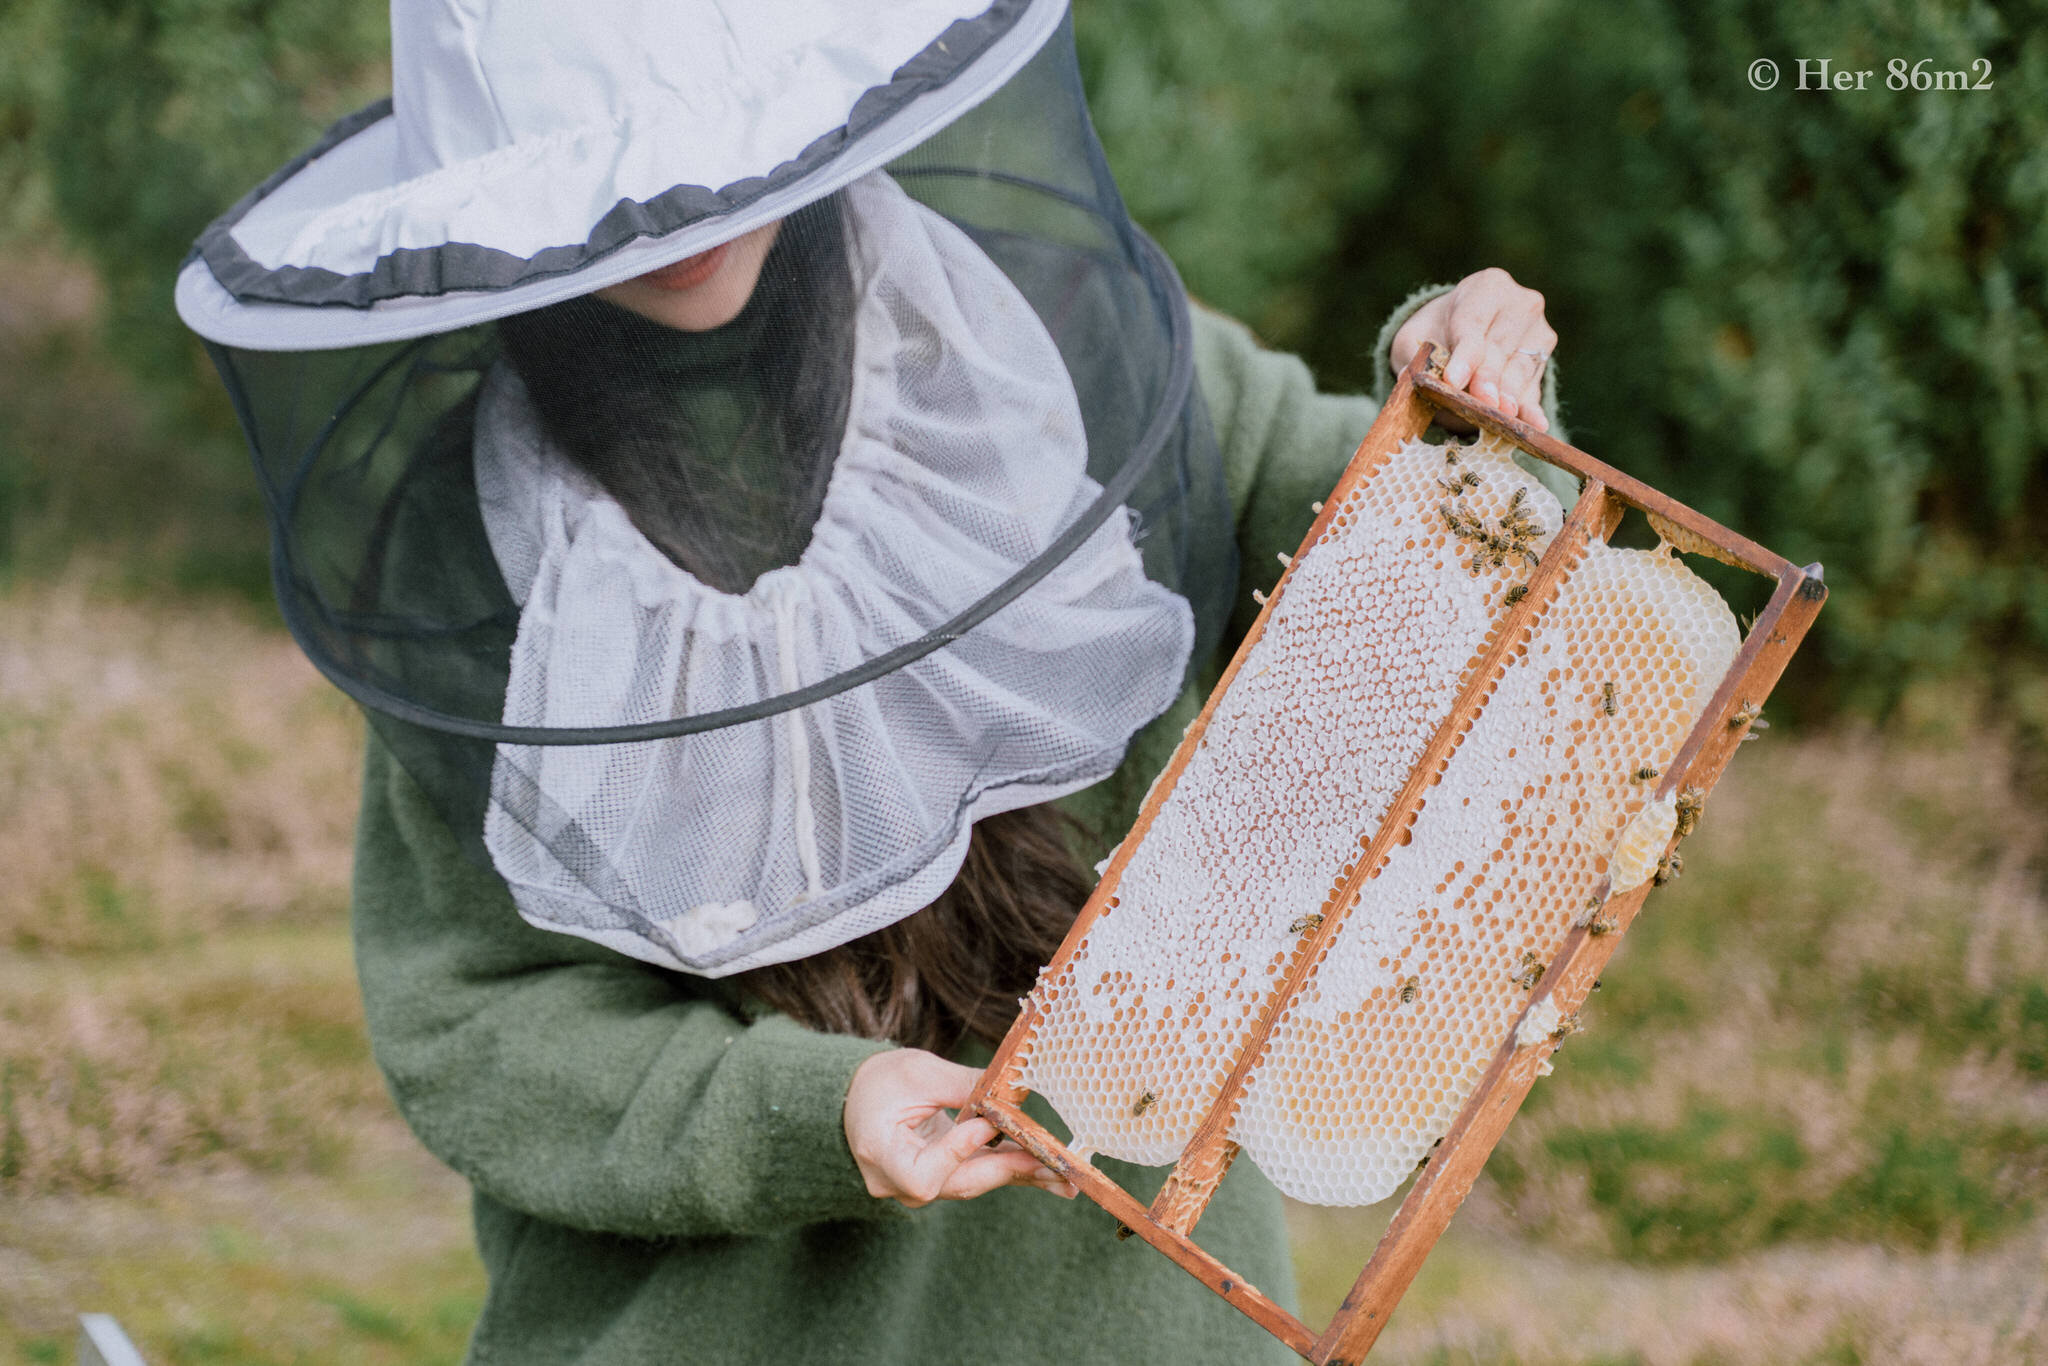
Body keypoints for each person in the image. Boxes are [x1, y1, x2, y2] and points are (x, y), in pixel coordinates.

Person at [175, 0, 1560, 1360]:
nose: (685, 207)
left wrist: (1465, 408)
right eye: (614, 170)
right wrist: (810, 1112)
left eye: (716, 133)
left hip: (1137, 1316)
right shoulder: (466, 540)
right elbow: (479, 1019)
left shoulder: (1039, 339)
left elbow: (1373, 533)